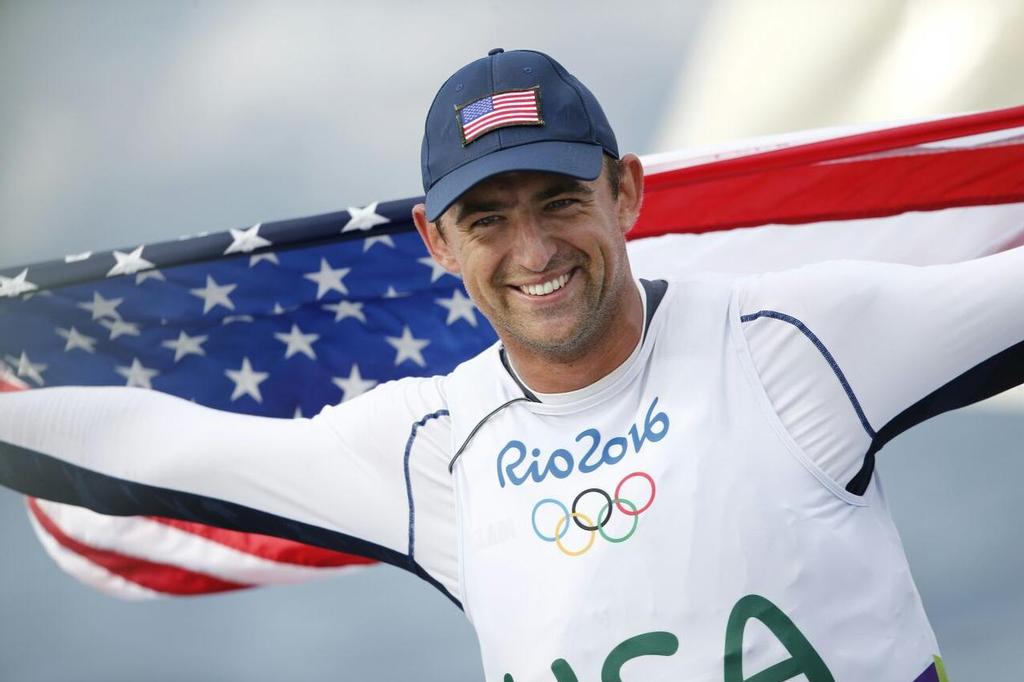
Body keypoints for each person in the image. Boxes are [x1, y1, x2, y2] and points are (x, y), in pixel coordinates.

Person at [1, 48, 1022, 682]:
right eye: (487, 219)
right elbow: (155, 446)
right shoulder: (430, 447)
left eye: (559, 202)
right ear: (435, 242)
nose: (532, 252)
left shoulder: (791, 342)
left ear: (623, 192)